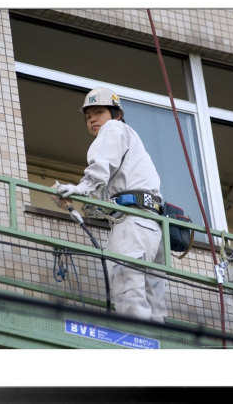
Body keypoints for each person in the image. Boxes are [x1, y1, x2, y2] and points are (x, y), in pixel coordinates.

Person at [56, 87, 167, 323]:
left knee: (128, 289)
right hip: (152, 226)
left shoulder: (114, 129)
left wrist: (81, 188)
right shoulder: (130, 142)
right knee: (152, 297)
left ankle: (138, 346)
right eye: (88, 116)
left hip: (133, 221)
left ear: (115, 114)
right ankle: (158, 345)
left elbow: (100, 168)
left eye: (98, 112)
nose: (93, 119)